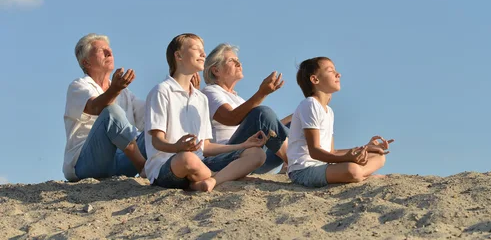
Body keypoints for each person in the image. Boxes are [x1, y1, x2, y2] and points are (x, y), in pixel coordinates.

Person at [144, 34, 267, 192]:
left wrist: (243, 145)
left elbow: (206, 147)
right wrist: (177, 146)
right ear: (178, 55)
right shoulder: (162, 91)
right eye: (196, 49)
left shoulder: (200, 98)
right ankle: (220, 176)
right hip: (168, 167)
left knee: (257, 154)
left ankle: (211, 181)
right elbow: (157, 142)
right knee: (187, 158)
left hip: (200, 164)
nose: (203, 54)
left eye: (203, 50)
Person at [287, 57, 393, 188]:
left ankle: (361, 174)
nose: (338, 74)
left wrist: (364, 148)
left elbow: (332, 151)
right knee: (351, 169)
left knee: (379, 156)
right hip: (303, 171)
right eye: (331, 71)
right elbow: (315, 152)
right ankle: (362, 175)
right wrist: (348, 158)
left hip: (323, 166)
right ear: (315, 79)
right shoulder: (310, 104)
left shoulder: (329, 111)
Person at [63, 34, 146, 181]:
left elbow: (150, 116)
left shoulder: (125, 93)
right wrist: (114, 90)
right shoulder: (79, 86)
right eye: (102, 51)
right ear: (86, 62)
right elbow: (96, 107)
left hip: (121, 161)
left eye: (110, 50)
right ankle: (144, 168)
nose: (109, 53)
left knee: (158, 127)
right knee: (111, 111)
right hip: (88, 163)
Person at [202, 43, 291, 174]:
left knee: (298, 119)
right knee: (262, 113)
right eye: (232, 61)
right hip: (227, 157)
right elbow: (230, 118)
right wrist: (262, 93)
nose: (239, 64)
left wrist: (294, 118)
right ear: (216, 70)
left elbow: (269, 125)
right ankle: (297, 162)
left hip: (258, 155)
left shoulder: (239, 99)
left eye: (238, 61)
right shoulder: (210, 92)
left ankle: (307, 158)